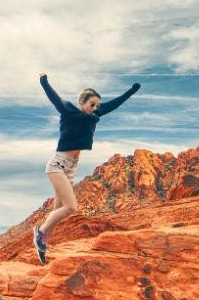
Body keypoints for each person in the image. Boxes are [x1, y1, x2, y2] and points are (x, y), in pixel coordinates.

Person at [33, 72, 140, 264]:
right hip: (58, 164)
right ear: (82, 103)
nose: (95, 108)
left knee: (58, 209)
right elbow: (54, 99)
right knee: (70, 207)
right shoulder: (68, 111)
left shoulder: (96, 113)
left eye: (97, 105)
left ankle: (43, 241)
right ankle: (40, 233)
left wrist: (131, 91)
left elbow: (115, 104)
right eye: (92, 105)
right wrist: (44, 82)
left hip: (71, 167)